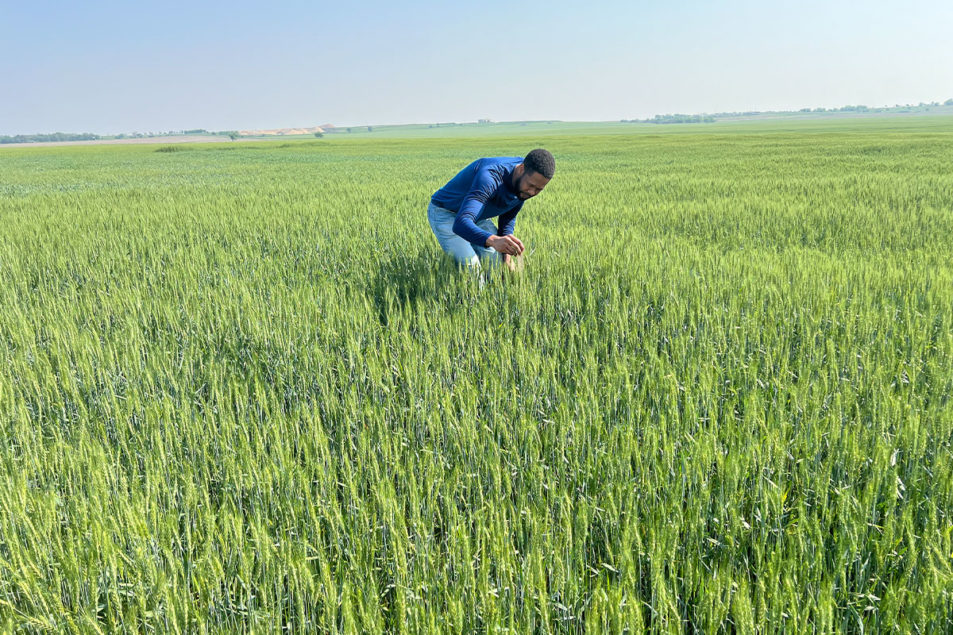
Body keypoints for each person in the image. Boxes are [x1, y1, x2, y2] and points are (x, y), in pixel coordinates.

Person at [428, 148, 555, 271]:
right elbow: (461, 224)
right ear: (521, 169)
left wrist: (506, 261)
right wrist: (493, 241)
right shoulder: (491, 177)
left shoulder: (525, 181)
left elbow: (507, 219)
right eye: (531, 185)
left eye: (539, 189)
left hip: (478, 215)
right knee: (471, 267)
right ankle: (472, 293)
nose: (532, 192)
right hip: (445, 213)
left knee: (496, 264)